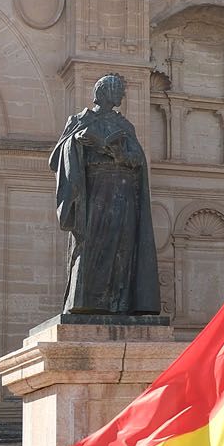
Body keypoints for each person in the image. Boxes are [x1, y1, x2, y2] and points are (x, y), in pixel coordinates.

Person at [49, 74, 161, 316]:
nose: (121, 95)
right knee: (92, 244)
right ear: (104, 92)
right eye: (117, 90)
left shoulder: (125, 126)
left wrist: (119, 153)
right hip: (94, 190)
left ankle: (119, 302)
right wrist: (76, 142)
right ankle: (87, 302)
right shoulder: (80, 120)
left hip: (124, 191)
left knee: (123, 245)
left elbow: (138, 160)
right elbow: (57, 156)